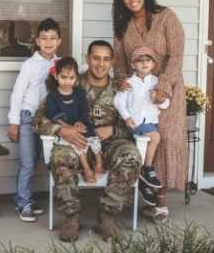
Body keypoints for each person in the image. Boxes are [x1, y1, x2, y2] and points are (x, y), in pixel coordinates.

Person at [34, 41, 142, 242]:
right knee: (61, 156)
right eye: (96, 58)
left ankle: (107, 217)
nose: (100, 64)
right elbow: (39, 118)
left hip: (109, 144)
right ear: (87, 59)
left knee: (131, 156)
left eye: (106, 59)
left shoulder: (122, 90)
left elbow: (135, 123)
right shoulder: (70, 81)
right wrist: (62, 130)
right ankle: (71, 217)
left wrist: (113, 129)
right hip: (74, 142)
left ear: (113, 62)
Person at [112, 0, 186, 224]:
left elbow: (176, 55)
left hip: (168, 88)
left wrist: (164, 86)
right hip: (138, 95)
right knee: (145, 140)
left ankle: (161, 202)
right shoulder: (123, 25)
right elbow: (120, 61)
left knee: (165, 139)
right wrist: (121, 79)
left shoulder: (166, 16)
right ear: (121, 1)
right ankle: (149, 195)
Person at [7, 18, 61, 222]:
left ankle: (31, 198)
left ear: (59, 41)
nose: (48, 42)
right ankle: (22, 202)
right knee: (28, 162)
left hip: (49, 119)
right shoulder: (29, 65)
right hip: (28, 117)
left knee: (44, 159)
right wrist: (14, 122)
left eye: (53, 38)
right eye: (44, 38)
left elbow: (76, 73)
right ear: (37, 41)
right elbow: (17, 93)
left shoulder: (60, 63)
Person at [113, 45, 170, 206]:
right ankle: (148, 168)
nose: (144, 64)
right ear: (133, 65)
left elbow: (166, 104)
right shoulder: (129, 83)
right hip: (136, 123)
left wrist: (159, 100)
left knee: (147, 144)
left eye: (148, 60)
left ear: (153, 64)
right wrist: (126, 117)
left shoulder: (157, 82)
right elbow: (118, 101)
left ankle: (143, 182)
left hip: (150, 121)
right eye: (140, 61)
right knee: (155, 137)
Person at [45, 56, 104, 183]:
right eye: (63, 77)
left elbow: (84, 110)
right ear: (56, 76)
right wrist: (68, 127)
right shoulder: (53, 96)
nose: (67, 81)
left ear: (76, 77)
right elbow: (53, 114)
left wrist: (80, 122)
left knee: (93, 137)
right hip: (66, 128)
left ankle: (99, 163)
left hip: (81, 124)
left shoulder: (79, 93)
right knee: (77, 143)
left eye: (71, 78)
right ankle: (87, 169)